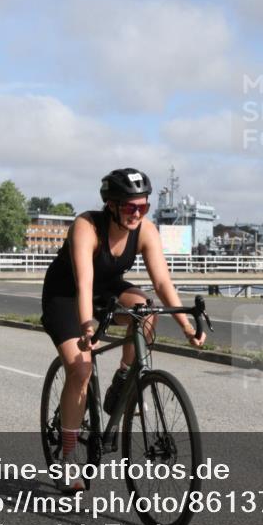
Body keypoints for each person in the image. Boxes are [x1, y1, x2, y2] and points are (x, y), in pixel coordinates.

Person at [40, 168, 206, 491]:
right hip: (66, 294)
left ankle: (123, 379)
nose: (137, 214)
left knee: (146, 310)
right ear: (112, 205)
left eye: (143, 207)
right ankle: (68, 458)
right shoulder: (86, 227)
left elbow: (162, 283)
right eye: (130, 207)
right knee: (81, 370)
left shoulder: (145, 231)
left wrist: (186, 326)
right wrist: (87, 326)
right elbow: (84, 283)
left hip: (107, 289)